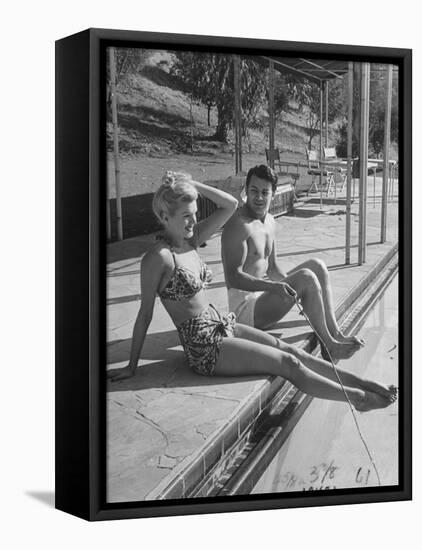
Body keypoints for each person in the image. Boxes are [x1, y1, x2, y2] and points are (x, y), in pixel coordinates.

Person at [108, 171, 396, 412]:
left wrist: (190, 183)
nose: (193, 222)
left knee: (289, 349)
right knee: (289, 363)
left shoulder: (191, 241)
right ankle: (357, 399)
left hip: (223, 324)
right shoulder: (158, 258)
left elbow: (230, 204)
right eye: (186, 216)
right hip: (204, 347)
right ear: (163, 215)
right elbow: (145, 314)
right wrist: (131, 366)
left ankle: (362, 383)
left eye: (194, 214)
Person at [222, 164, 364, 361]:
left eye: (265, 192)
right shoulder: (238, 225)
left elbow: (272, 269)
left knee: (317, 266)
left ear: (274, 193)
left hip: (263, 296)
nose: (259, 197)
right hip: (244, 311)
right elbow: (233, 277)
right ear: (246, 191)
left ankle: (336, 334)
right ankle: (328, 345)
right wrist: (280, 287)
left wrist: (292, 287)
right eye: (254, 191)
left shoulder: (269, 221)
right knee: (306, 278)